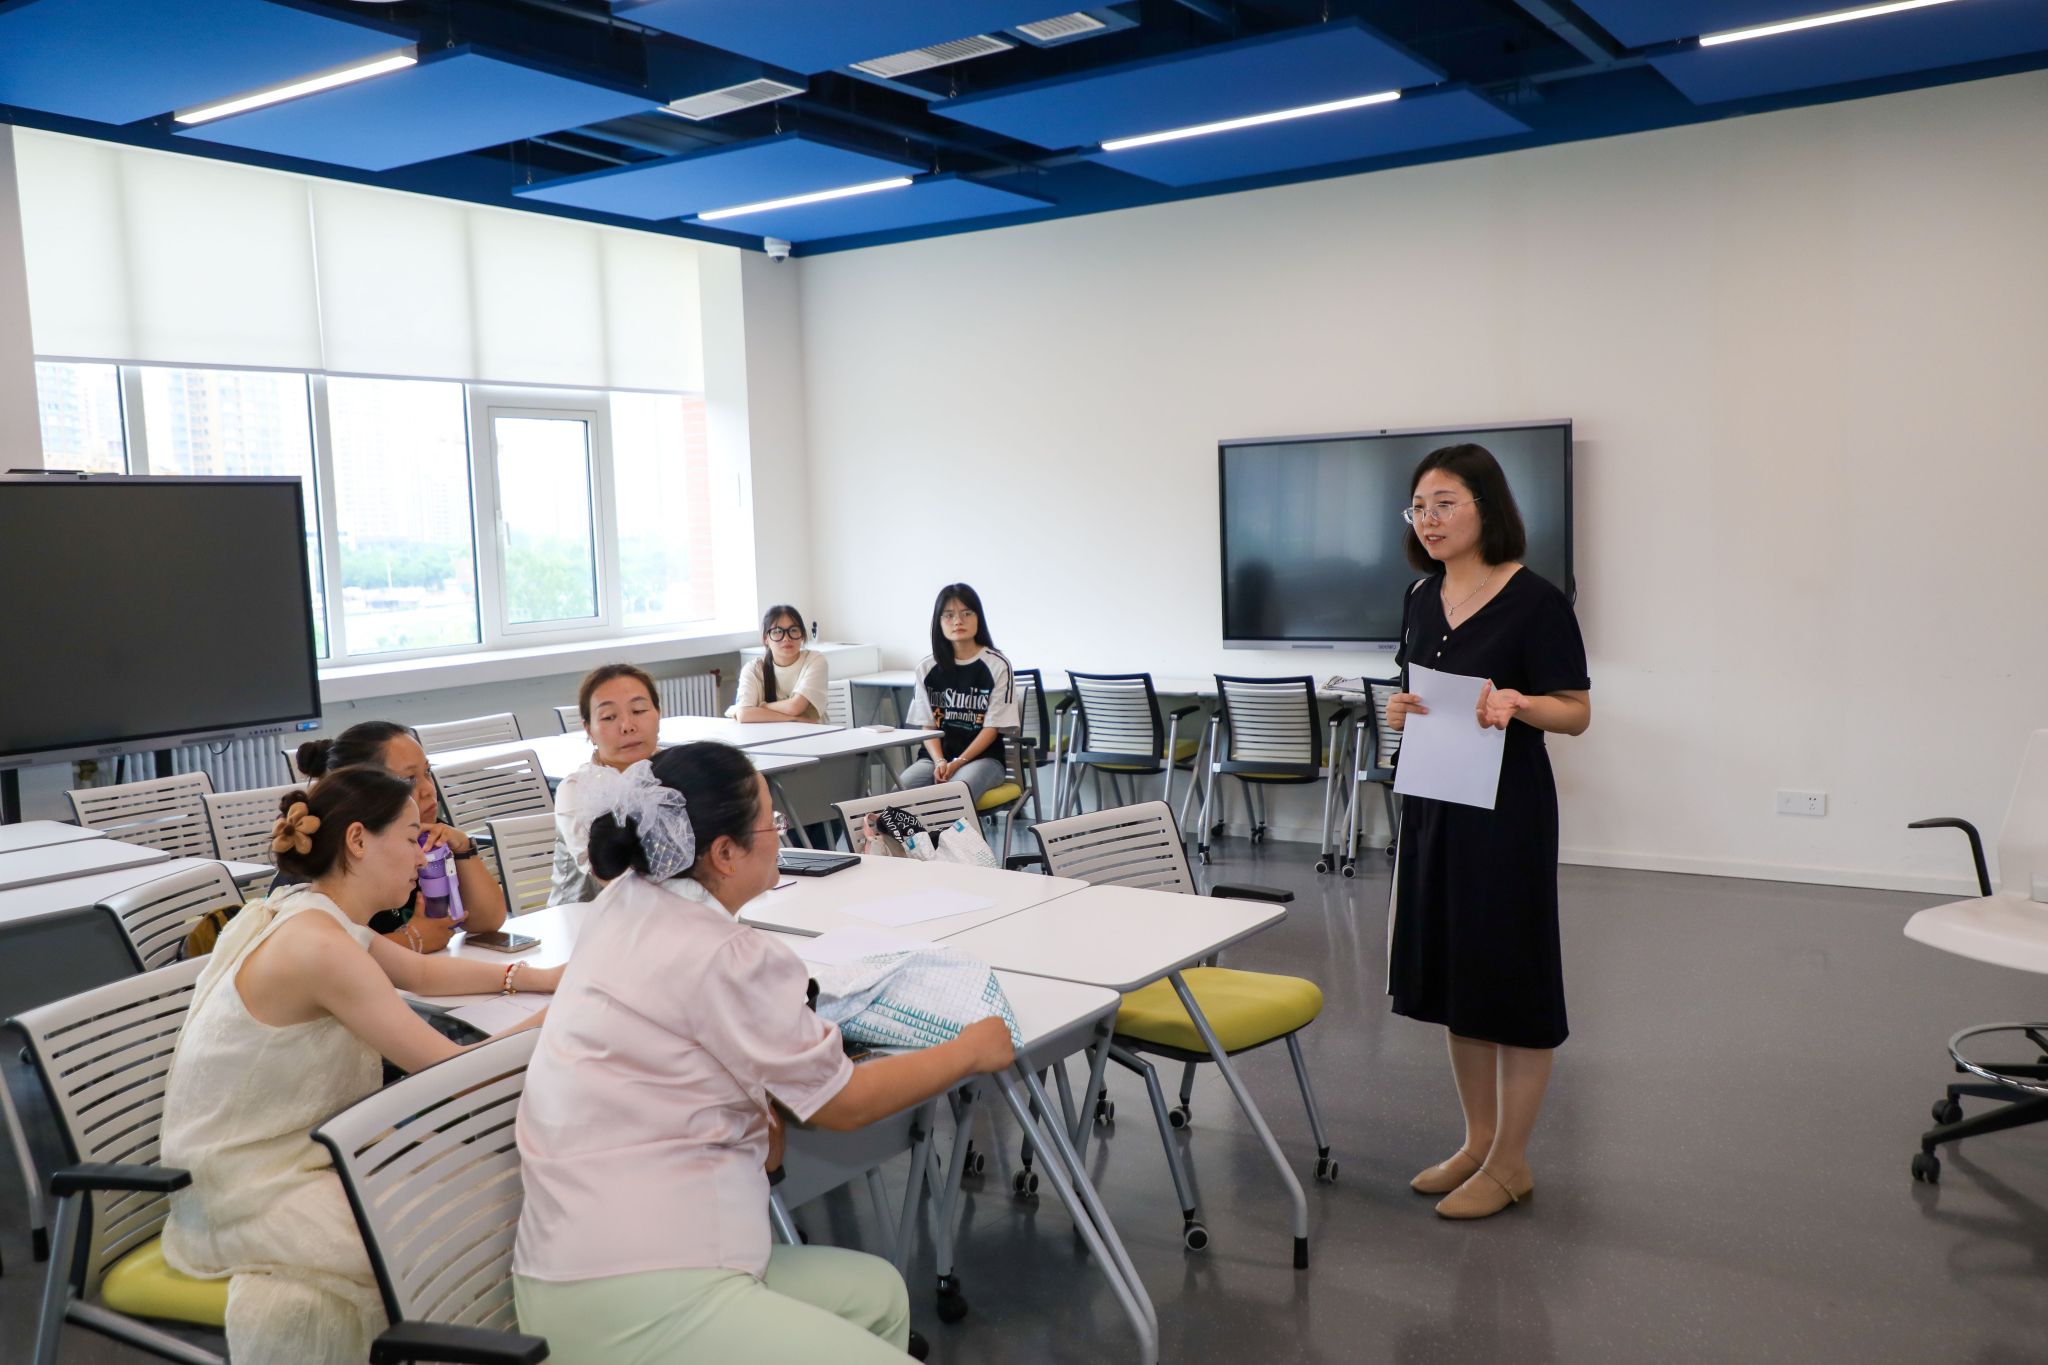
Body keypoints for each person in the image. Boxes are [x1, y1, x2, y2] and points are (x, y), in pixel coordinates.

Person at [513, 742, 1015, 1363]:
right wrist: (970, 1050)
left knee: (878, 1294)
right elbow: (844, 1103)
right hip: (642, 1285)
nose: (779, 833)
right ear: (725, 853)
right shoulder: (728, 954)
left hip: (574, 1262)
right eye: (768, 821)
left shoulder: (625, 900)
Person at [162, 768, 564, 1364]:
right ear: (357, 840)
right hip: (251, 1187)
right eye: (409, 836)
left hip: (286, 1153)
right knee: (475, 1216)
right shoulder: (320, 946)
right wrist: (564, 1014)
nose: (421, 854)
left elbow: (420, 972)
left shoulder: (307, 908)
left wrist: (538, 979)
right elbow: (454, 1077)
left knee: (487, 1191)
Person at [1384, 443, 1591, 1221]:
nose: (1429, 519)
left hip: (1507, 813)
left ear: (1487, 508)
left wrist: (1520, 703)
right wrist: (1399, 707)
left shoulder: (1537, 601)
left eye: (1445, 503)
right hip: (1434, 803)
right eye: (1419, 507)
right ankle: (1476, 1142)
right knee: (1456, 974)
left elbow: (1576, 710)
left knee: (1511, 976)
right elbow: (1414, 689)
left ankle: (1511, 1161)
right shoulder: (1420, 596)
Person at [286, 722, 509, 952]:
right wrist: (411, 940)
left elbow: (486, 921)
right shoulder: (318, 856)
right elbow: (324, 954)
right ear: (361, 788)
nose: (428, 789)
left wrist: (463, 849)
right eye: (408, 780)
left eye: (427, 772)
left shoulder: (429, 833)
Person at [899, 584, 1019, 806]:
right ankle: (914, 832)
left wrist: (958, 762)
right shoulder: (926, 667)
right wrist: (940, 761)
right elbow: (928, 726)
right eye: (949, 615)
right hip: (934, 760)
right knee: (898, 792)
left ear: (978, 618)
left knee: (954, 794)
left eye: (966, 613)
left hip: (983, 760)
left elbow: (991, 728)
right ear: (939, 622)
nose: (958, 621)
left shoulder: (997, 665)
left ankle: (947, 831)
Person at [552, 663, 663, 904]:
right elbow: (611, 879)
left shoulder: (679, 769)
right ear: (589, 730)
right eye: (609, 717)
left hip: (674, 912)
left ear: (658, 713)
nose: (627, 726)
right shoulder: (577, 789)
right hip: (587, 915)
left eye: (639, 710)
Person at [728, 606, 830, 723]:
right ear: (766, 638)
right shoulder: (753, 669)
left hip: (814, 732)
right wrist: (794, 719)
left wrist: (761, 707)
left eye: (793, 630)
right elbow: (744, 715)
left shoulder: (815, 660)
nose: (786, 638)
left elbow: (795, 707)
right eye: (777, 631)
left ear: (802, 635)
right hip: (770, 733)